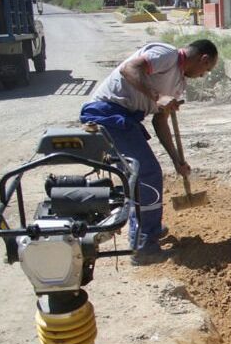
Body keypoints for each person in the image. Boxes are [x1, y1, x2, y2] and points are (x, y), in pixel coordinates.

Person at [79, 40, 218, 264]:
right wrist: (157, 97)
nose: (203, 75)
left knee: (140, 176)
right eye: (206, 69)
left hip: (126, 119)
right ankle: (145, 245)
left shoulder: (178, 83)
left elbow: (160, 121)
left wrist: (176, 160)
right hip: (107, 114)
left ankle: (146, 230)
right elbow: (129, 69)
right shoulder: (168, 54)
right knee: (147, 174)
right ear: (203, 59)